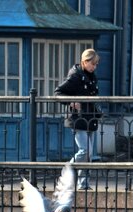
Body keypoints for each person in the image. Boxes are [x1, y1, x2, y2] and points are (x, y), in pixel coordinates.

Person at [54, 48, 101, 190]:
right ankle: (68, 169)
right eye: (92, 64)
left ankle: (83, 183)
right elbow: (58, 92)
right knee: (84, 150)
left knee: (89, 154)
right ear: (84, 62)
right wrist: (70, 101)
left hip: (89, 117)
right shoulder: (76, 76)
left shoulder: (91, 76)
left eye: (96, 64)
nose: (94, 67)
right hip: (78, 118)